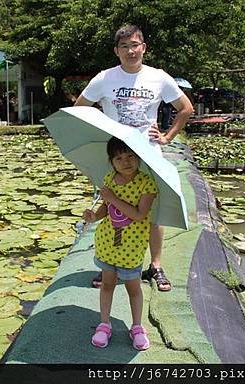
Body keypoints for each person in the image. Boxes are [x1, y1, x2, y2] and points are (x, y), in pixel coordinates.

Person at [74, 24, 194, 291]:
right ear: (117, 51)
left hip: (149, 155)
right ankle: (109, 266)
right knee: (110, 207)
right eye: (125, 46)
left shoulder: (159, 77)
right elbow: (79, 109)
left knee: (153, 214)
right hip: (117, 155)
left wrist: (167, 136)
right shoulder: (104, 79)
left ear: (144, 48)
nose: (131, 50)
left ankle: (156, 266)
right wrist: (103, 130)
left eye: (135, 45)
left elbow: (185, 109)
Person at [83, 137, 157, 350]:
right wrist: (93, 217)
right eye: (119, 158)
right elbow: (106, 209)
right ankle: (104, 324)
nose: (126, 162)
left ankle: (137, 327)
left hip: (131, 246)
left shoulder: (146, 183)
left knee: (133, 288)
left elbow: (139, 214)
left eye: (130, 156)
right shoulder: (109, 179)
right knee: (107, 284)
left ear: (138, 157)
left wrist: (112, 197)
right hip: (108, 242)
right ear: (111, 161)